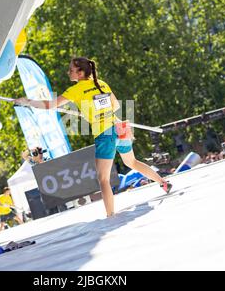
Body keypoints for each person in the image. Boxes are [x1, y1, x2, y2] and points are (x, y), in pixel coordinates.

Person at [14, 56, 171, 217]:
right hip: (119, 128)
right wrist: (92, 111)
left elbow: (50, 105)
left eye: (71, 70)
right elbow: (115, 105)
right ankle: (163, 182)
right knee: (132, 162)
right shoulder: (101, 83)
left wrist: (27, 101)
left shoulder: (76, 90)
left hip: (105, 134)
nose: (68, 72)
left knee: (103, 179)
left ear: (81, 72)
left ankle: (111, 215)